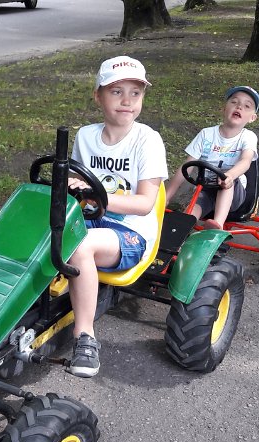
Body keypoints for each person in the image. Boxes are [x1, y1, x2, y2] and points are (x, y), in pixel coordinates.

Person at [65, 55, 168, 378]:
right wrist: (72, 184)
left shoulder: (147, 140)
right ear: (98, 96)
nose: (127, 101)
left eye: (135, 93)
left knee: (81, 246)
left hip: (130, 233)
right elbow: (74, 181)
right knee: (39, 231)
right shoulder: (85, 136)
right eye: (116, 92)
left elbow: (144, 204)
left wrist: (96, 195)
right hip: (91, 219)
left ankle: (84, 337)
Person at [165, 86, 259, 230]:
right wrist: (166, 198)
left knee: (226, 181)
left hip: (234, 192)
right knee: (192, 209)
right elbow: (187, 165)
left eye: (247, 106)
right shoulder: (206, 134)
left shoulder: (247, 137)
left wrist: (230, 175)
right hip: (207, 189)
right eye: (234, 102)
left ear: (252, 118)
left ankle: (217, 226)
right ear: (224, 109)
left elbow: (246, 161)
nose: (239, 106)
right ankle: (181, 232)